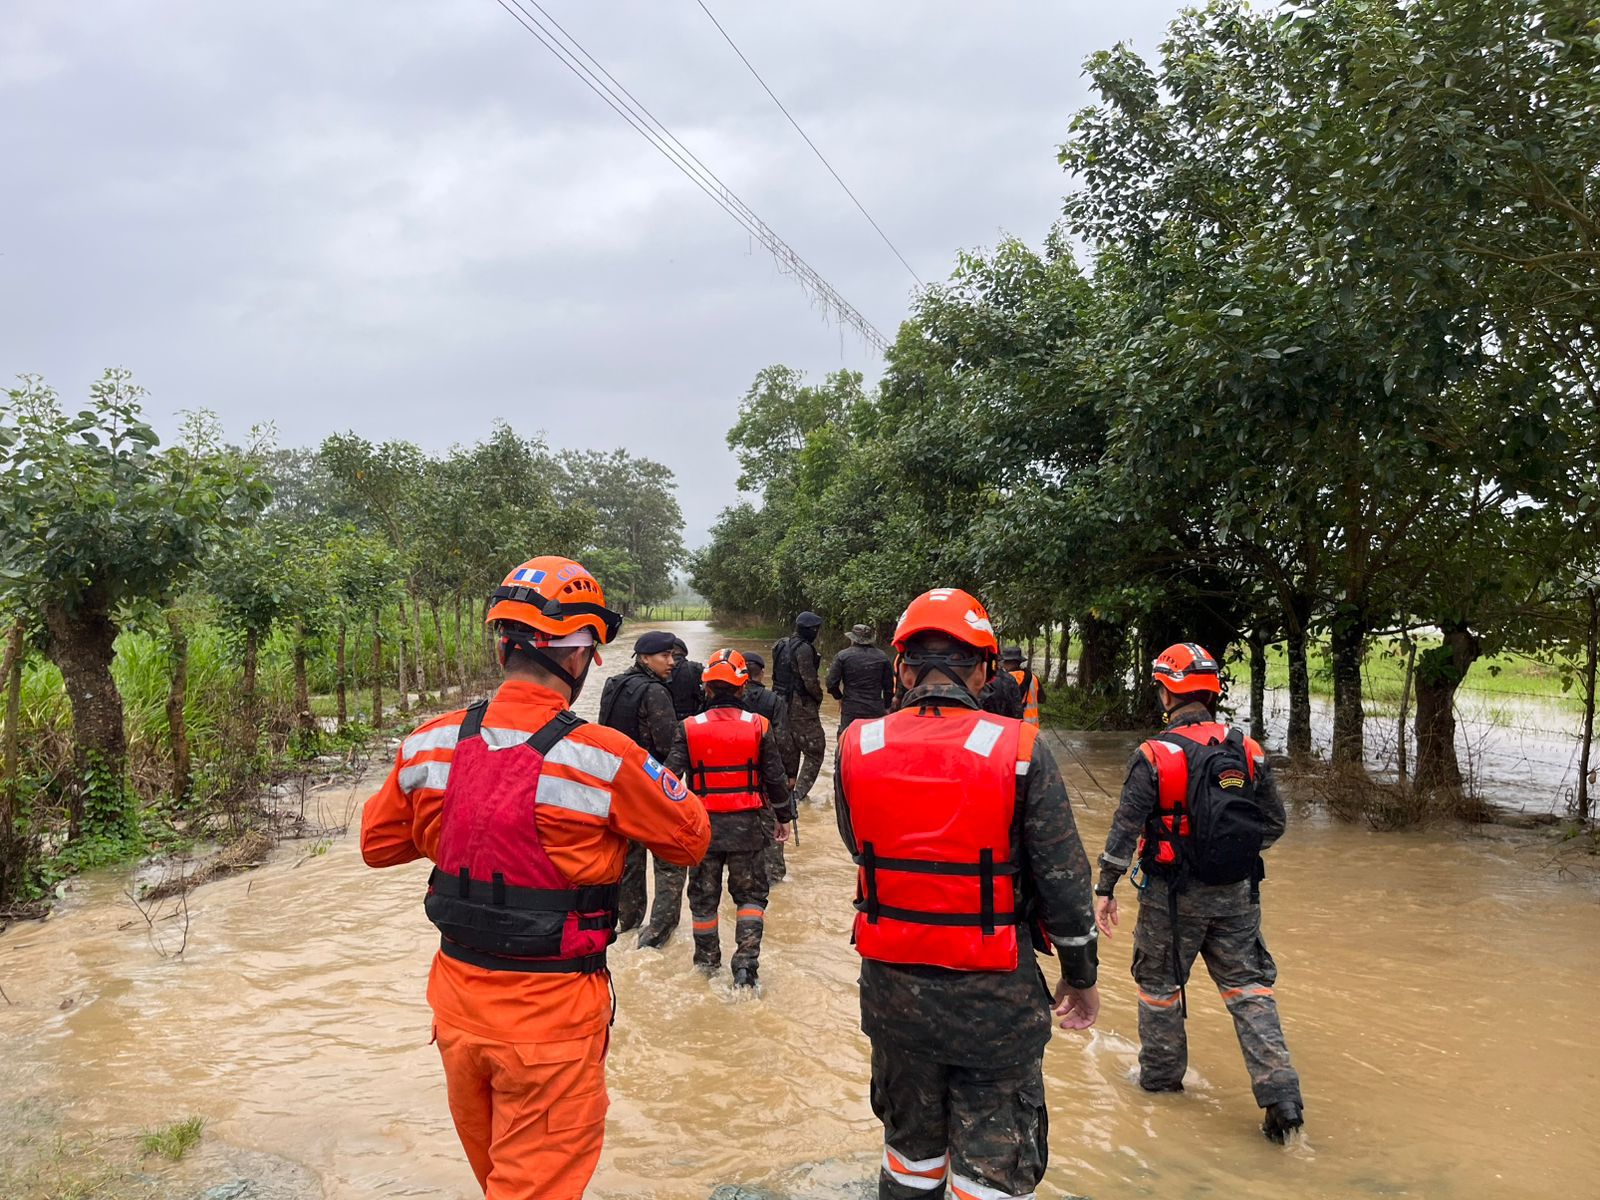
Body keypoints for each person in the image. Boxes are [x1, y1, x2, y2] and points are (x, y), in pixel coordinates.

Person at [360, 556, 710, 1200]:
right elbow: (690, 839)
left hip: (456, 1010)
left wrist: (465, 823)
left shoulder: (427, 744)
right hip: (550, 1021)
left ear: (503, 646)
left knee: (499, 1177)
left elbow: (379, 847)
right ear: (578, 658)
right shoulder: (603, 758)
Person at [835, 587, 1101, 1200]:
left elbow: (861, 846)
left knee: (910, 1157)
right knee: (992, 1174)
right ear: (984, 669)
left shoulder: (857, 746)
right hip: (995, 1002)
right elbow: (1063, 881)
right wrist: (1080, 974)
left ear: (902, 668)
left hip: (892, 995)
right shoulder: (1023, 749)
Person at [1093, 641, 1304, 1142]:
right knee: (1250, 991)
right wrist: (1227, 856)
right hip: (1238, 895)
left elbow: (1124, 831)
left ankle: (1161, 1090)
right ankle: (1281, 1094)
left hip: (1170, 897)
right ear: (1211, 692)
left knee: (1160, 990)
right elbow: (1273, 825)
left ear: (1167, 691)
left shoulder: (1153, 755)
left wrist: (1105, 887)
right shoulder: (1247, 749)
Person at [665, 649, 794, 988]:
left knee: (704, 900)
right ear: (742, 689)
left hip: (704, 830)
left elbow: (667, 780)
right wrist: (784, 816)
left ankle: (706, 966)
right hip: (748, 829)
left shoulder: (688, 727)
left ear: (706, 689)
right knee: (750, 898)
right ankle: (746, 970)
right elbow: (775, 778)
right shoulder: (759, 725)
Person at [598, 630, 684, 944]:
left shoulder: (612, 686)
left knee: (628, 861)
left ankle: (628, 924)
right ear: (645, 658)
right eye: (666, 656)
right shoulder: (656, 692)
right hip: (649, 791)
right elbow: (668, 744)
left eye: (673, 656)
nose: (672, 662)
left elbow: (603, 737)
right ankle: (658, 935)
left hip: (618, 790)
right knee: (671, 861)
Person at [742, 650, 799, 883]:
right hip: (768, 774)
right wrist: (791, 774)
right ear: (762, 674)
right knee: (774, 826)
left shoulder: (732, 700)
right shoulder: (774, 700)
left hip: (739, 775)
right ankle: (774, 876)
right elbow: (785, 739)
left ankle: (746, 873)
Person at [773, 611, 827, 805]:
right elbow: (809, 680)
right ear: (811, 630)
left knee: (789, 750)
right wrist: (818, 698)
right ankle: (798, 795)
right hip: (801, 708)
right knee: (815, 750)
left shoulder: (779, 644)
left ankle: (786, 793)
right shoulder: (804, 649)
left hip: (779, 705)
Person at [827, 623, 894, 734]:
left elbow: (831, 683)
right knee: (873, 745)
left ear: (852, 639)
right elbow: (889, 687)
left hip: (851, 709)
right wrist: (887, 707)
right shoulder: (882, 657)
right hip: (875, 709)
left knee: (846, 742)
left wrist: (839, 697)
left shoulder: (842, 656)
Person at [1002, 645, 1046, 727]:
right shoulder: (1033, 677)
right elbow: (1042, 699)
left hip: (1016, 726)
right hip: (1033, 727)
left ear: (1007, 663)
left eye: (1004, 662)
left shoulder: (1005, 679)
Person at [666, 635, 705, 720]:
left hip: (667, 718)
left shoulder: (657, 668)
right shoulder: (695, 667)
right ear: (684, 652)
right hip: (693, 718)